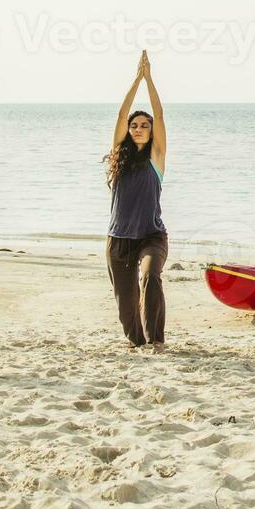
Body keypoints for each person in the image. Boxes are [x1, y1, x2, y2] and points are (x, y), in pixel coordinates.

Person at [105, 50, 170, 351]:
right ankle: (139, 340)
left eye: (145, 125)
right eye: (135, 126)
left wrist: (149, 78)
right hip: (118, 240)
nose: (139, 128)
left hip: (151, 237)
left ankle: (156, 340)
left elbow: (160, 113)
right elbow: (121, 115)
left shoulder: (156, 157)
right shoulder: (119, 157)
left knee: (151, 277)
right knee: (125, 304)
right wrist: (135, 80)